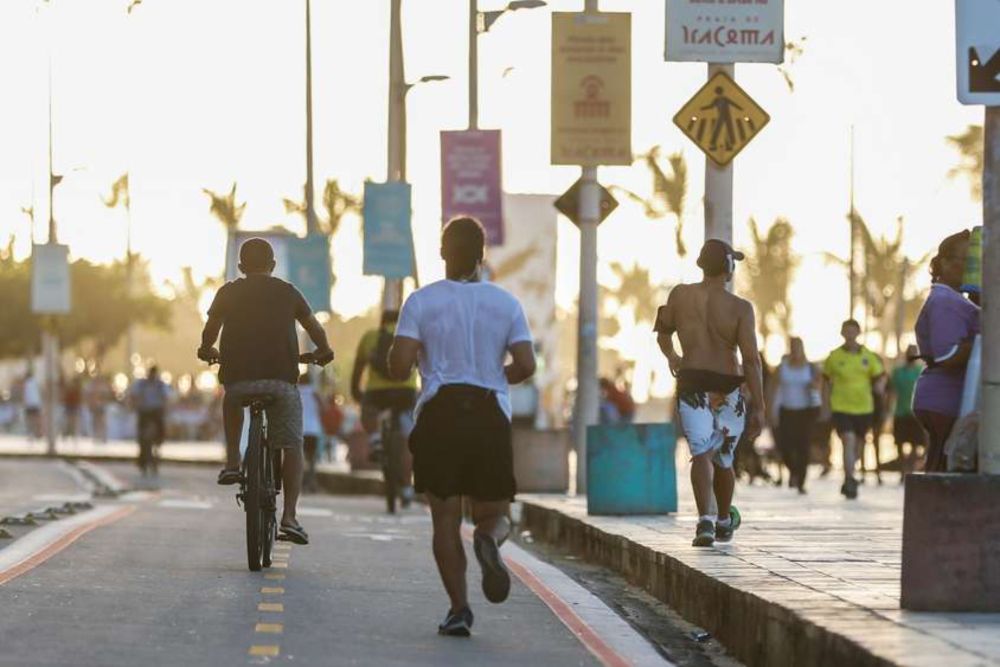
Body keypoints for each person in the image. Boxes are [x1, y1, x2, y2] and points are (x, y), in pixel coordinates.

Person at [387, 217, 536, 637]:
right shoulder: (505, 303)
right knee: (495, 514)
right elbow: (526, 364)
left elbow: (399, 367)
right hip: (488, 412)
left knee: (445, 519)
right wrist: (493, 375)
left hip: (440, 414)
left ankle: (459, 610)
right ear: (481, 255)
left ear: (442, 253)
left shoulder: (421, 301)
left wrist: (414, 361)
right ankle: (489, 540)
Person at [198, 238, 334, 546]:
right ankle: (290, 516)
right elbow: (314, 328)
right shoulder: (287, 292)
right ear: (272, 266)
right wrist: (323, 351)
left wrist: (207, 349)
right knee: (292, 445)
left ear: (242, 267)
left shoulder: (229, 292)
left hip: (238, 381)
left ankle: (233, 462)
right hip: (281, 383)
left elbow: (211, 328)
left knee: (231, 398)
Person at [654, 239, 765, 547]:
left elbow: (662, 335)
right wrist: (760, 407)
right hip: (728, 386)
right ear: (728, 267)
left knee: (700, 452)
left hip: (690, 382)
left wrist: (674, 358)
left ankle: (705, 521)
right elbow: (752, 360)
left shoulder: (679, 295)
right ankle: (723, 520)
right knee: (724, 459)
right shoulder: (740, 308)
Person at [912, 230, 980, 472]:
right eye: (969, 261)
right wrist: (985, 343)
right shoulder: (945, 302)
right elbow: (947, 355)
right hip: (944, 399)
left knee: (941, 463)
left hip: (942, 398)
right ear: (945, 263)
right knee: (943, 466)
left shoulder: (956, 300)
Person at [351, 309, 419, 505]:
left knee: (369, 410)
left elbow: (358, 368)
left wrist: (357, 393)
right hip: (405, 392)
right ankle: (406, 488)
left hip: (377, 393)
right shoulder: (411, 337)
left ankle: (375, 441)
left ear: (382, 322)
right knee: (407, 440)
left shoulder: (370, 337)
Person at [822, 320, 886, 500]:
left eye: (853, 331)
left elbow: (880, 376)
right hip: (841, 407)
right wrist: (825, 406)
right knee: (847, 440)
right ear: (842, 333)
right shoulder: (834, 357)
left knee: (858, 447)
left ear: (858, 333)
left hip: (864, 408)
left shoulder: (868, 356)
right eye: (847, 331)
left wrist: (879, 386)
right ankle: (849, 480)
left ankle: (851, 473)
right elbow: (825, 383)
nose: (850, 335)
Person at [767, 337, 821, 493]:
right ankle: (793, 471)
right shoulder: (782, 368)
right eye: (793, 346)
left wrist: (814, 385)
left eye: (798, 346)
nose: (796, 350)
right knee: (784, 445)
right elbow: (772, 389)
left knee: (803, 446)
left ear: (803, 348)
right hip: (786, 411)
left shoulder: (811, 368)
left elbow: (820, 386)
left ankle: (801, 481)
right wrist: (770, 411)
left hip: (805, 412)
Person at [887, 345, 927, 475]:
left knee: (916, 443)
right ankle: (902, 470)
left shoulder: (920, 371)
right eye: (910, 353)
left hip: (915, 413)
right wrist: (888, 410)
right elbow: (892, 392)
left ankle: (910, 469)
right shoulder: (897, 372)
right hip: (900, 412)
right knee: (899, 443)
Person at [130, 365, 170, 476]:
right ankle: (143, 460)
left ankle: (155, 457)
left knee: (158, 438)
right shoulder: (141, 384)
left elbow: (166, 398)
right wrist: (136, 405)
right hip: (145, 412)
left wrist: (164, 409)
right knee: (143, 438)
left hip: (156, 412)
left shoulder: (160, 385)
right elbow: (134, 396)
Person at [298, 372, 324, 493]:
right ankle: (311, 483)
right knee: (312, 459)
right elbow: (323, 407)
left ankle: (299, 483)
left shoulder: (296, 391)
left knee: (299, 457)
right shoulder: (314, 392)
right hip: (313, 429)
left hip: (299, 429)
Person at [21, 370, 42, 440]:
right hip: (36, 403)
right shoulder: (35, 381)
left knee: (30, 420)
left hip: (29, 404)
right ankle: (38, 433)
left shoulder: (26, 383)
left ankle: (32, 434)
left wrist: (24, 402)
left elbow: (24, 394)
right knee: (36, 419)